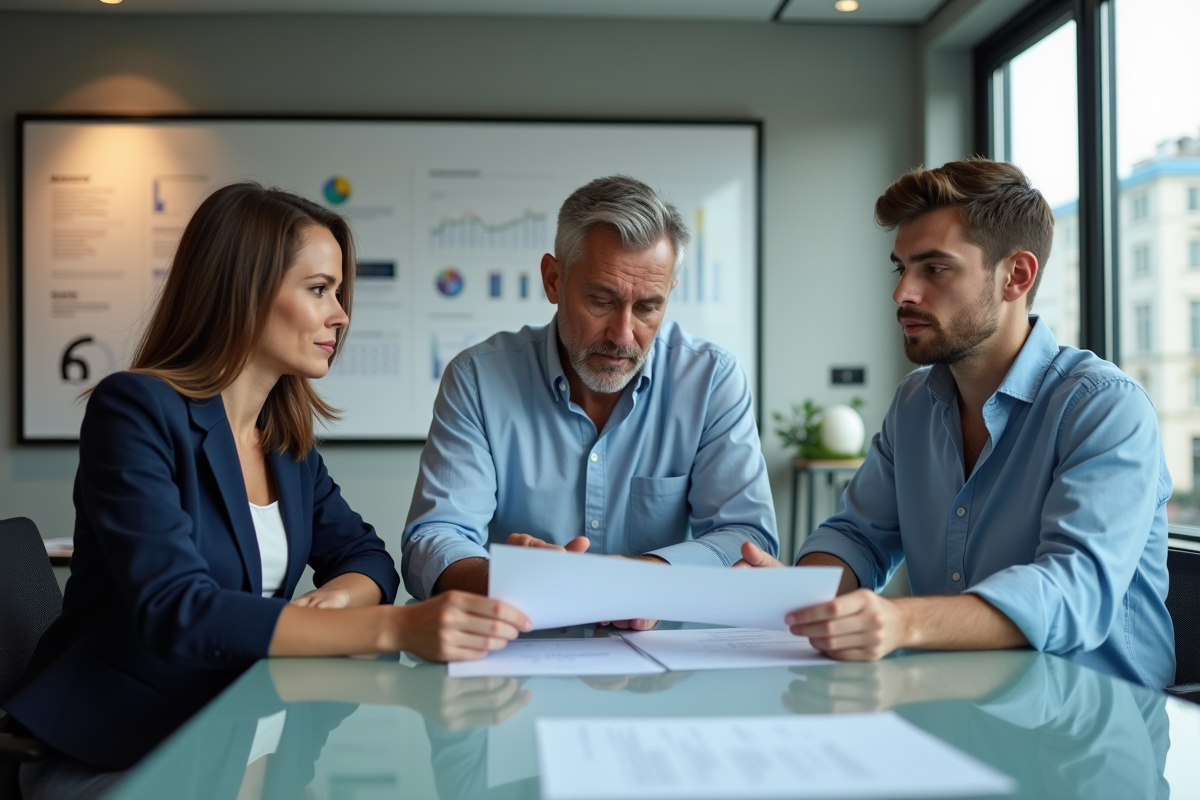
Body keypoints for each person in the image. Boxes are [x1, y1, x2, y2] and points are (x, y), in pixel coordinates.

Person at [3, 183, 531, 794]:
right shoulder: (135, 409)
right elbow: (180, 611)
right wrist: (395, 629)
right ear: (244, 292)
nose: (341, 314)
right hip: (122, 752)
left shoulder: (283, 440)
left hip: (232, 733)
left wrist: (337, 601)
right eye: (318, 291)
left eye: (339, 292)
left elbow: (365, 557)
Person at [738, 158, 1175, 689]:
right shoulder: (914, 404)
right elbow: (859, 536)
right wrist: (801, 595)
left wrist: (901, 620)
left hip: (1090, 731)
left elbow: (1073, 590)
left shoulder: (1104, 407)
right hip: (954, 708)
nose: (903, 294)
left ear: (1016, 276)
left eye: (935, 268)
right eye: (901, 268)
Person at [402, 175, 778, 626]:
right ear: (553, 280)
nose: (623, 335)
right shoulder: (478, 380)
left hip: (664, 674)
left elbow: (747, 538)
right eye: (602, 300)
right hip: (518, 671)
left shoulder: (712, 380)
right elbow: (436, 536)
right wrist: (503, 579)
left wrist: (651, 580)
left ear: (669, 296)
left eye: (647, 308)